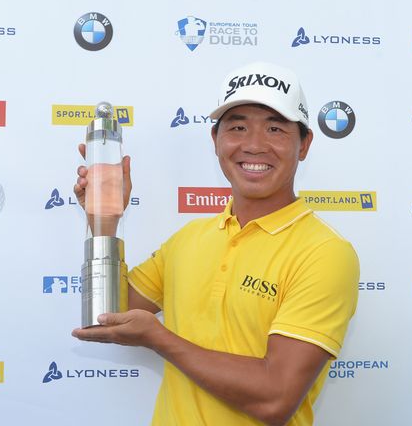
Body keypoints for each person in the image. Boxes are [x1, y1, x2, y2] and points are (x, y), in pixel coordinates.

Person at [72, 62, 359, 426]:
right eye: (238, 127)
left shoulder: (325, 253)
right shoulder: (189, 238)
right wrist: (104, 220)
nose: (254, 145)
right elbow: (105, 317)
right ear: (215, 140)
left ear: (304, 144)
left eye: (275, 128)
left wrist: (160, 339)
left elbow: (275, 398)